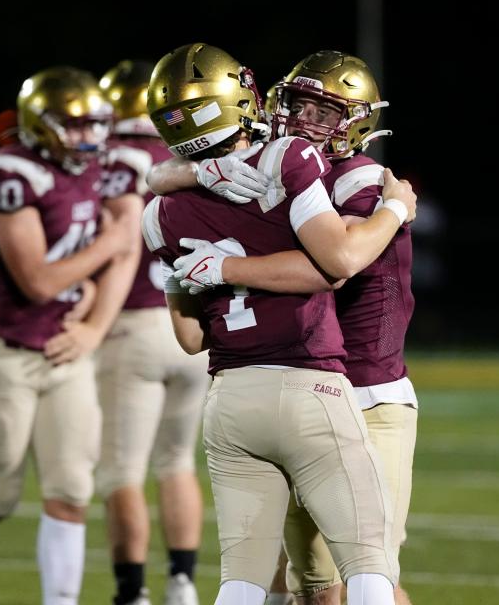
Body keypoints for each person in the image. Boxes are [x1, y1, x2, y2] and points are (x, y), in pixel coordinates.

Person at [141, 42, 416, 605]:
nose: (306, 121)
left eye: (326, 112)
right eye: (298, 104)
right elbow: (163, 173)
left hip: (364, 387)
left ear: (359, 122)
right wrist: (195, 169)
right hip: (313, 381)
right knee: (312, 585)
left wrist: (394, 207)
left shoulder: (357, 178)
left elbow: (338, 264)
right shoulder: (278, 163)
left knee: (368, 570)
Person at [0, 66, 138, 605]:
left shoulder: (99, 169)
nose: (89, 136)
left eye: (95, 124)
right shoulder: (7, 173)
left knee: (70, 491)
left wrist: (93, 325)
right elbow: (38, 280)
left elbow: (123, 249)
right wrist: (105, 248)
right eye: (75, 124)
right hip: (7, 353)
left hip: (66, 354)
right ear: (41, 125)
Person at [95, 59, 208, 605]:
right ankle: (183, 583)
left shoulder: (110, 158)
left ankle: (132, 591)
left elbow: (107, 239)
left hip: (134, 322)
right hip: (192, 328)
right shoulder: (191, 151)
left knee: (122, 469)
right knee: (177, 461)